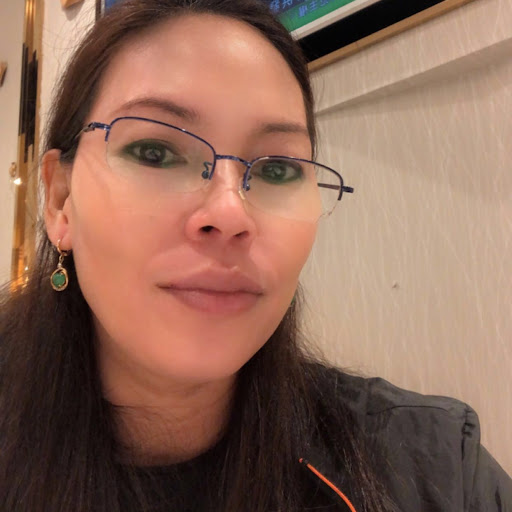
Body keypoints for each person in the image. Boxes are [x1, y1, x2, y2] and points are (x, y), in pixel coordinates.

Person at [0, 0, 510, 511]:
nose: (230, 213)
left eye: (276, 170)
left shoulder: (437, 471)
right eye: (156, 152)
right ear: (60, 199)